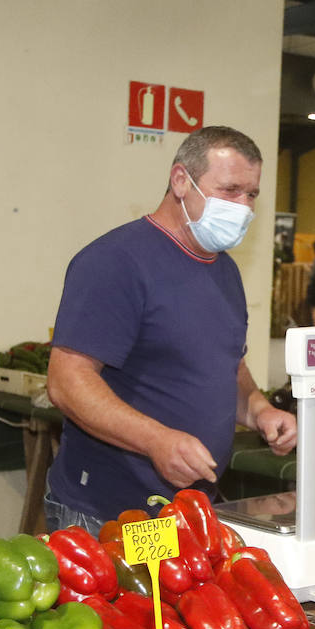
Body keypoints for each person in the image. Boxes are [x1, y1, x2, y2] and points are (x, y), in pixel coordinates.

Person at [44, 126, 297, 532]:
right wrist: (156, 440)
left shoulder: (224, 270)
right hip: (106, 514)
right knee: (121, 600)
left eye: (251, 195)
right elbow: (66, 382)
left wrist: (259, 408)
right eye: (230, 190)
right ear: (181, 180)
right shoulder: (115, 262)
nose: (243, 207)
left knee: (176, 600)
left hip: (186, 511)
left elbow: (224, 363)